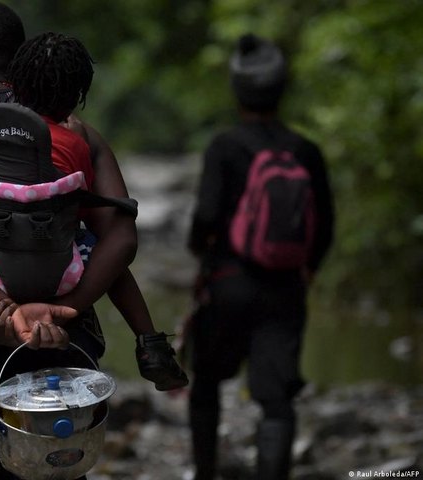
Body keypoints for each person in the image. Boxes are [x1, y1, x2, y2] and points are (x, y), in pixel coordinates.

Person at [0, 31, 188, 475]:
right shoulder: (81, 140)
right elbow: (120, 239)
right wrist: (64, 309)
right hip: (64, 307)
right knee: (55, 461)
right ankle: (150, 343)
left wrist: (2, 307)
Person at [186, 34, 334, 480]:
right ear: (281, 89)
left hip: (229, 283)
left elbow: (207, 216)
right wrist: (308, 269)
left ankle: (206, 471)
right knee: (277, 398)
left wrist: (202, 256)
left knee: (207, 381)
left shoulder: (225, 147)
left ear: (237, 90)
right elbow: (324, 225)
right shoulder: (306, 151)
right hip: (284, 289)